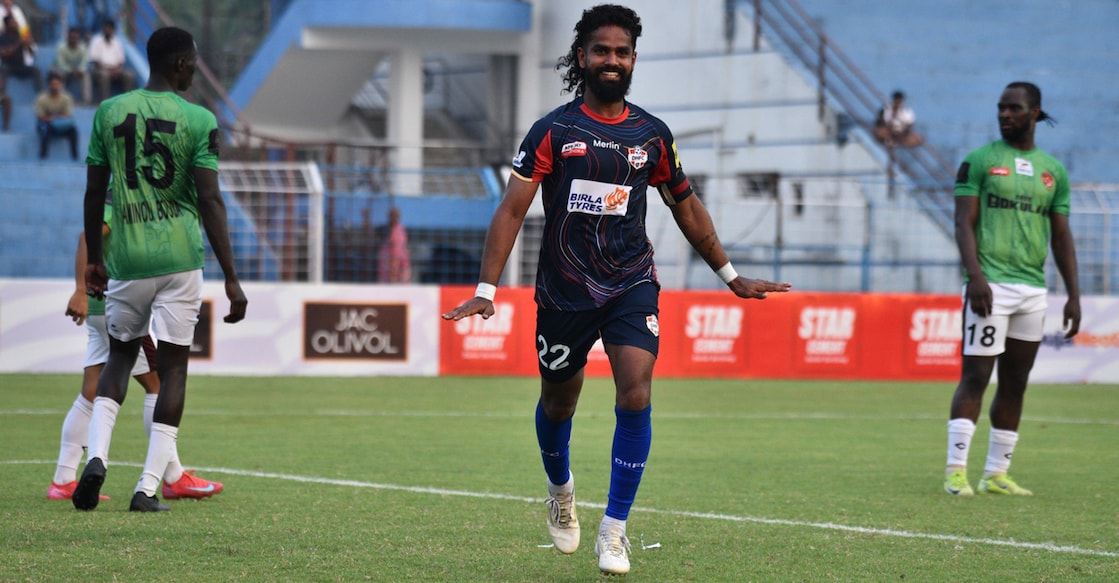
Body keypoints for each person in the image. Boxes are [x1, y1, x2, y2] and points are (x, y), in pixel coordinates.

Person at [441, 4, 790, 576]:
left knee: (636, 390)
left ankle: (615, 530)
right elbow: (510, 211)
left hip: (630, 282)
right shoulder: (553, 131)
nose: (612, 60)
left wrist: (731, 275)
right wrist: (487, 287)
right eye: (601, 51)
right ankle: (560, 489)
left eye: (622, 52)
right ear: (582, 57)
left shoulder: (651, 135)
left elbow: (688, 207)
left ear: (633, 60)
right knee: (560, 401)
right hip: (563, 290)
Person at [73, 26, 247, 513]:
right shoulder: (199, 118)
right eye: (191, 62)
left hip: (127, 258)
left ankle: (98, 458)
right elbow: (210, 200)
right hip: (179, 260)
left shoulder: (109, 112)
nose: (193, 69)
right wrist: (231, 276)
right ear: (179, 64)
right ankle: (147, 488)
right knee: (173, 372)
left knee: (120, 361)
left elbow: (93, 192)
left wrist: (95, 260)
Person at [943, 81, 1080, 497]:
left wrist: (1073, 294)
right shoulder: (979, 162)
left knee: (1017, 382)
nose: (1005, 115)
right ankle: (955, 471)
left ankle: (996, 473)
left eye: (1014, 109)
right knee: (976, 377)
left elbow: (1061, 237)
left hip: (1032, 291)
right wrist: (976, 277)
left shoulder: (1053, 171)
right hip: (991, 286)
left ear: (1035, 112)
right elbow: (962, 223)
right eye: (1001, 108)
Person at [50, 212, 224, 502]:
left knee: (91, 390)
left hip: (98, 307)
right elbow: (86, 236)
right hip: (112, 302)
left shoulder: (127, 194)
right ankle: (173, 477)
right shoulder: (121, 197)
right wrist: (80, 289)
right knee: (159, 385)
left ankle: (63, 479)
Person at [35, 71, 78, 160]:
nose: (55, 86)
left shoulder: (66, 98)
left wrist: (53, 118)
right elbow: (40, 116)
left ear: (61, 85)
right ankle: (43, 157)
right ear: (49, 85)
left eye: (57, 84)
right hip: (46, 124)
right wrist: (55, 117)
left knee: (73, 130)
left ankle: (75, 157)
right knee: (44, 128)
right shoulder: (42, 98)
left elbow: (68, 115)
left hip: (60, 124)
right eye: (53, 84)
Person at [88, 19, 133, 103]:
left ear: (113, 30)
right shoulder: (96, 40)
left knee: (129, 75)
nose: (108, 30)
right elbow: (95, 61)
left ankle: (128, 102)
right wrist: (108, 70)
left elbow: (121, 61)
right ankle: (105, 103)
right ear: (103, 29)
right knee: (104, 75)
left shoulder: (116, 42)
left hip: (116, 69)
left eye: (110, 29)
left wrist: (117, 70)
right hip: (100, 69)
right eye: (106, 28)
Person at [52, 28, 92, 105]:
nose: (73, 40)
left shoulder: (82, 49)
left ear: (78, 38)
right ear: (68, 37)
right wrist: (71, 71)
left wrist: (80, 70)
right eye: (71, 37)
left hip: (75, 70)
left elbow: (84, 63)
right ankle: (61, 100)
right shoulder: (61, 48)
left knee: (86, 74)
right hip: (59, 69)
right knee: (59, 74)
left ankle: (86, 101)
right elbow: (60, 64)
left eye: (75, 38)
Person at [0, 14, 39, 92]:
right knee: (3, 70)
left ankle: (40, 95)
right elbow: (4, 55)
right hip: (9, 67)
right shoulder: (2, 38)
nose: (16, 24)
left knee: (36, 71)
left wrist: (28, 44)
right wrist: (19, 44)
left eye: (15, 22)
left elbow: (32, 53)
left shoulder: (20, 35)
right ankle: (2, 95)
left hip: (20, 66)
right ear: (7, 25)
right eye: (13, 22)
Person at [377, 206, 412, 283]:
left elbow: (396, 255)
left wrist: (393, 275)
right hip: (386, 272)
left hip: (395, 275)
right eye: (392, 215)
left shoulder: (398, 231)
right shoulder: (385, 230)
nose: (393, 218)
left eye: (396, 216)